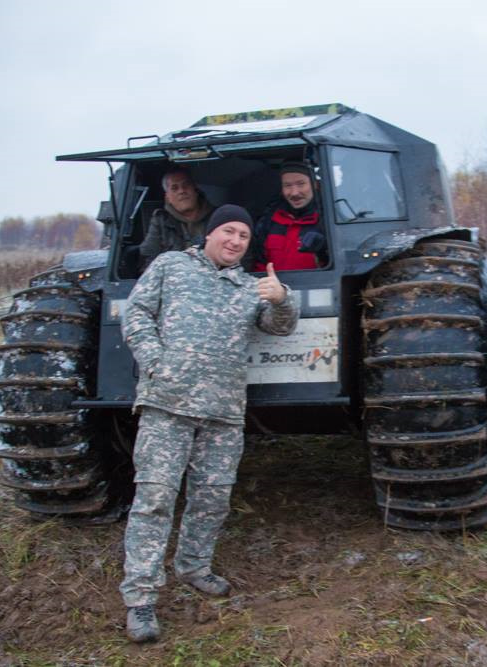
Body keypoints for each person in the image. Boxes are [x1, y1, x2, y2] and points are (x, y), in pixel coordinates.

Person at [120, 204, 298, 643]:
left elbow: (280, 327)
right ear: (210, 233)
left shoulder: (250, 286)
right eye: (229, 231)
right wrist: (156, 363)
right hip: (168, 406)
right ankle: (140, 598)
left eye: (244, 236)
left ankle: (194, 566)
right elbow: (136, 313)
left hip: (222, 414)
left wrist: (283, 298)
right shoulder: (172, 266)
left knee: (212, 498)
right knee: (155, 500)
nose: (236, 241)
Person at [251, 161, 328, 271]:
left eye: (301, 184)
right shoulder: (268, 221)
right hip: (275, 287)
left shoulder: (329, 220)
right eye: (287, 185)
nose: (294, 193)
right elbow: (259, 263)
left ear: (315, 184)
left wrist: (323, 250)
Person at [139, 167, 214, 267]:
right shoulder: (160, 220)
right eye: (175, 188)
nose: (181, 191)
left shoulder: (217, 216)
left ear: (195, 189)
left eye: (186, 185)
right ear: (168, 197)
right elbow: (148, 259)